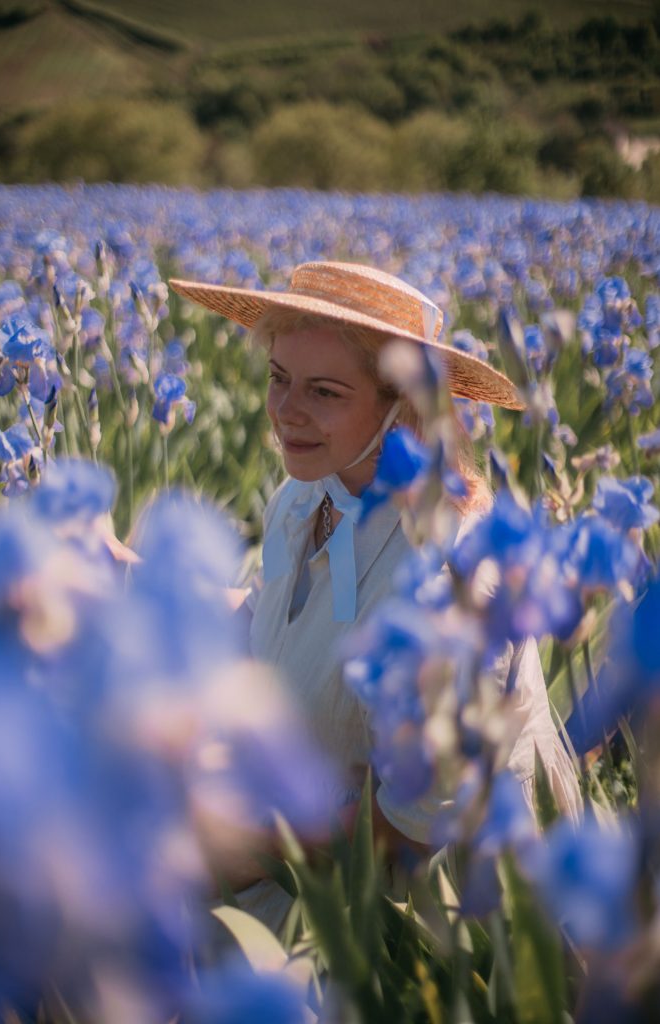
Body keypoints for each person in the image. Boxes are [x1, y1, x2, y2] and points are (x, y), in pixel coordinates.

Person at [169, 261, 581, 936]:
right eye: (278, 378)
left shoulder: (455, 575)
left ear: (400, 405)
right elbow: (275, 619)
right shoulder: (304, 495)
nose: (284, 412)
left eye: (324, 392)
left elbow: (413, 826)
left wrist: (235, 832)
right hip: (311, 847)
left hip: (428, 919)